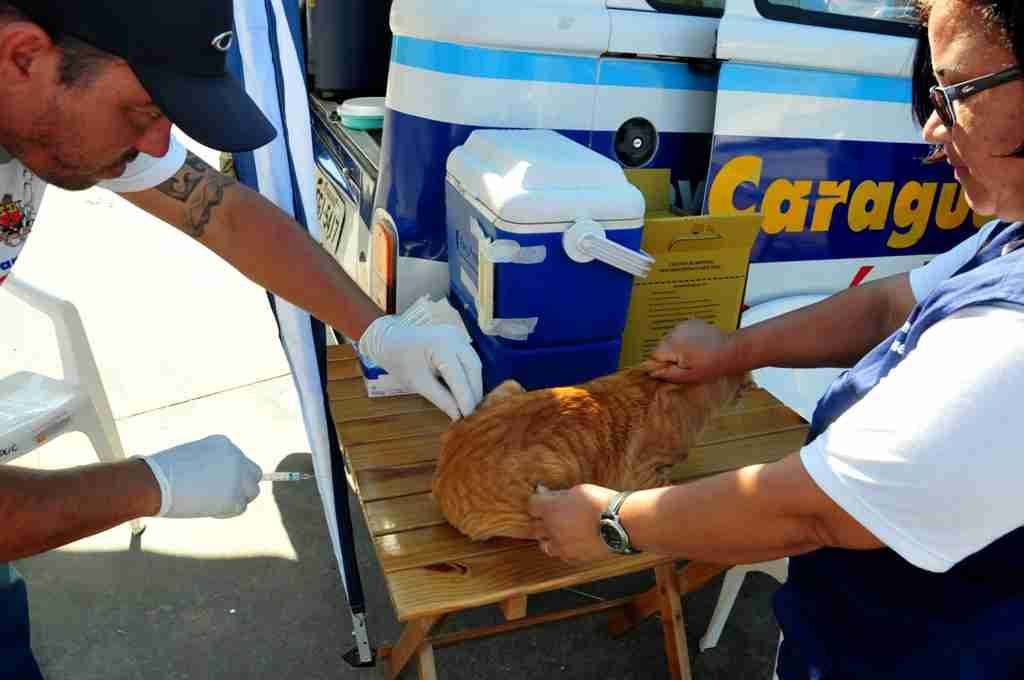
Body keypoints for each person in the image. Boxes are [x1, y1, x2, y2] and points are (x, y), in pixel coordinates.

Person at [529, 0, 1024, 676]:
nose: (933, 128)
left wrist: (612, 522)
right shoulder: (1010, 234)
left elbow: (816, 512)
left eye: (955, 91)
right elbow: (886, 306)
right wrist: (732, 351)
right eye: (929, 92)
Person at [0, 0, 482, 677]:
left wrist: (377, 330)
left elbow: (219, 211)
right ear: (21, 55)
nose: (156, 145)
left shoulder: (51, 94)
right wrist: (148, 487)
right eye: (141, 114)